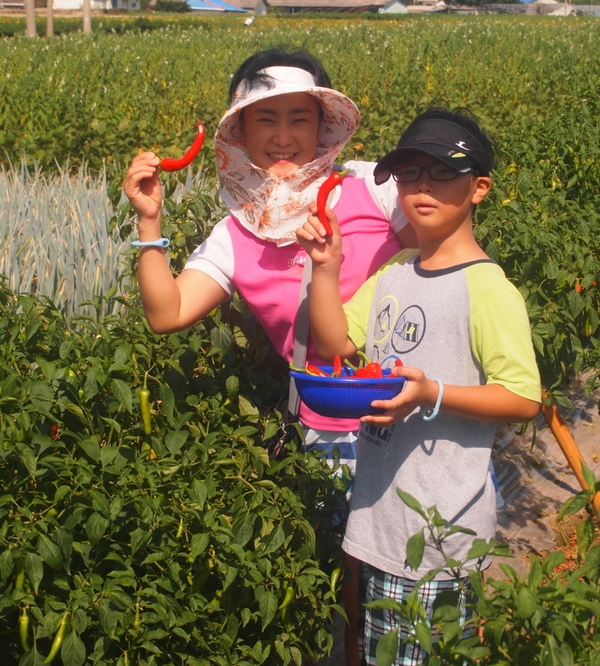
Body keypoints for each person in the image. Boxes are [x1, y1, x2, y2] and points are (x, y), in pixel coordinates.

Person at [123, 48, 416, 665]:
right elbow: (167, 313)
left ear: (322, 126)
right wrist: (150, 222)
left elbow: (449, 261)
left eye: (299, 118)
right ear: (240, 132)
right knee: (342, 594)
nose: (284, 136)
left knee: (404, 597)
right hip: (325, 436)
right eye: (265, 119)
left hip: (413, 420)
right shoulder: (237, 231)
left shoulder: (376, 188)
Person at [296, 107, 542, 666]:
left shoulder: (486, 288)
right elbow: (339, 347)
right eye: (410, 174)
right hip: (382, 518)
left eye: (442, 172)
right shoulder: (397, 272)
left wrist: (430, 393)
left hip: (439, 532)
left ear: (479, 188)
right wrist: (327, 270)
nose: (422, 187)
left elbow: (524, 397)